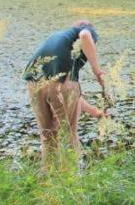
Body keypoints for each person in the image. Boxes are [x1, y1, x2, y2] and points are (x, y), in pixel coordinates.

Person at [23, 20, 108, 161]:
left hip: (34, 84)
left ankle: (49, 176)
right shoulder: (85, 30)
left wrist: (95, 112)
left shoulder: (59, 37)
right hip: (60, 81)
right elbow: (86, 35)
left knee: (47, 135)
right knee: (69, 135)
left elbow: (59, 92)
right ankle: (73, 179)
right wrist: (97, 71)